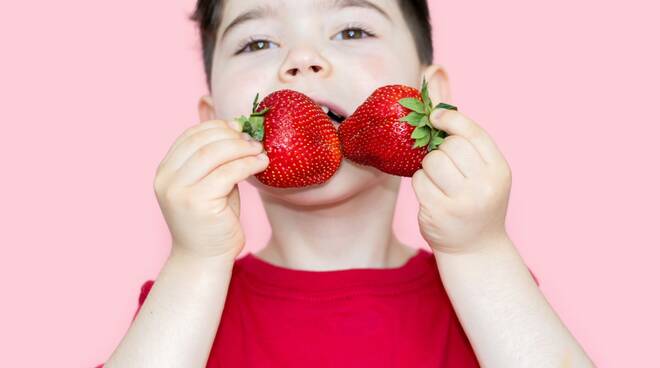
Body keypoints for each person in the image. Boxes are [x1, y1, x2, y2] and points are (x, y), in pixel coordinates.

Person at [101, 0, 594, 366]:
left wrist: (479, 251)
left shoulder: (489, 287)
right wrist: (194, 261)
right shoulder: (185, 301)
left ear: (432, 95)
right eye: (257, 43)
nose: (302, 59)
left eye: (352, 31)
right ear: (211, 121)